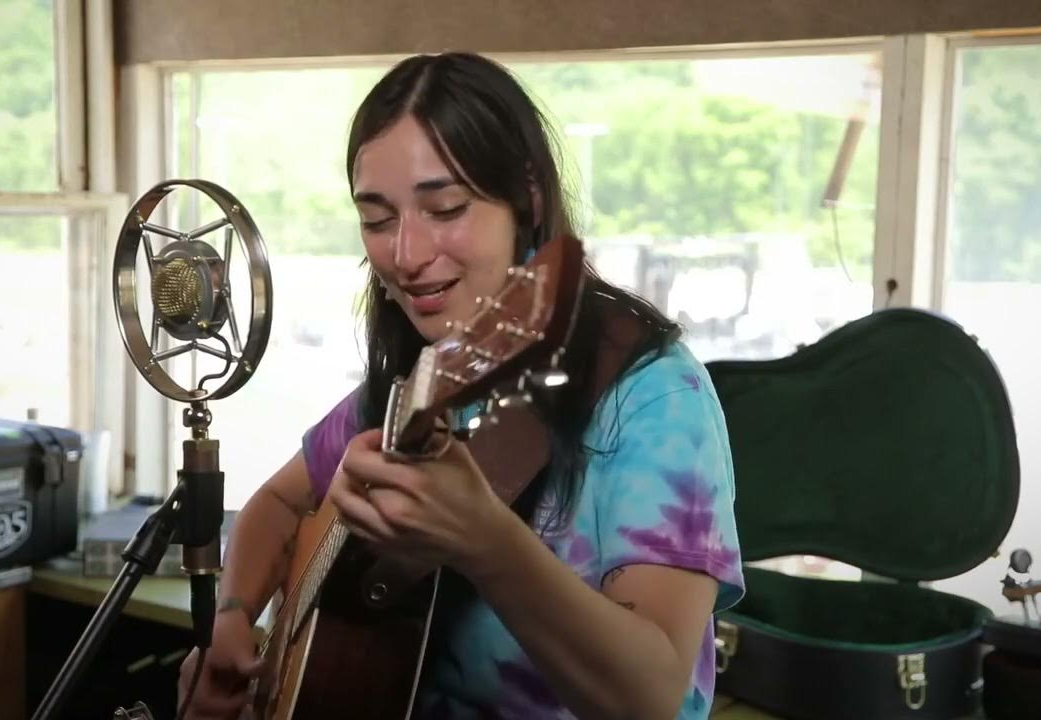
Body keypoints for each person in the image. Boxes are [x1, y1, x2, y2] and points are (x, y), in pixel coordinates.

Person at [179, 51, 744, 719]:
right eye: (378, 219)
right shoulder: (426, 376)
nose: (407, 256)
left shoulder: (654, 398)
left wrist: (486, 542)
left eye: (444, 208)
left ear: (528, 198)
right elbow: (276, 504)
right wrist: (237, 619)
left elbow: (653, 699)